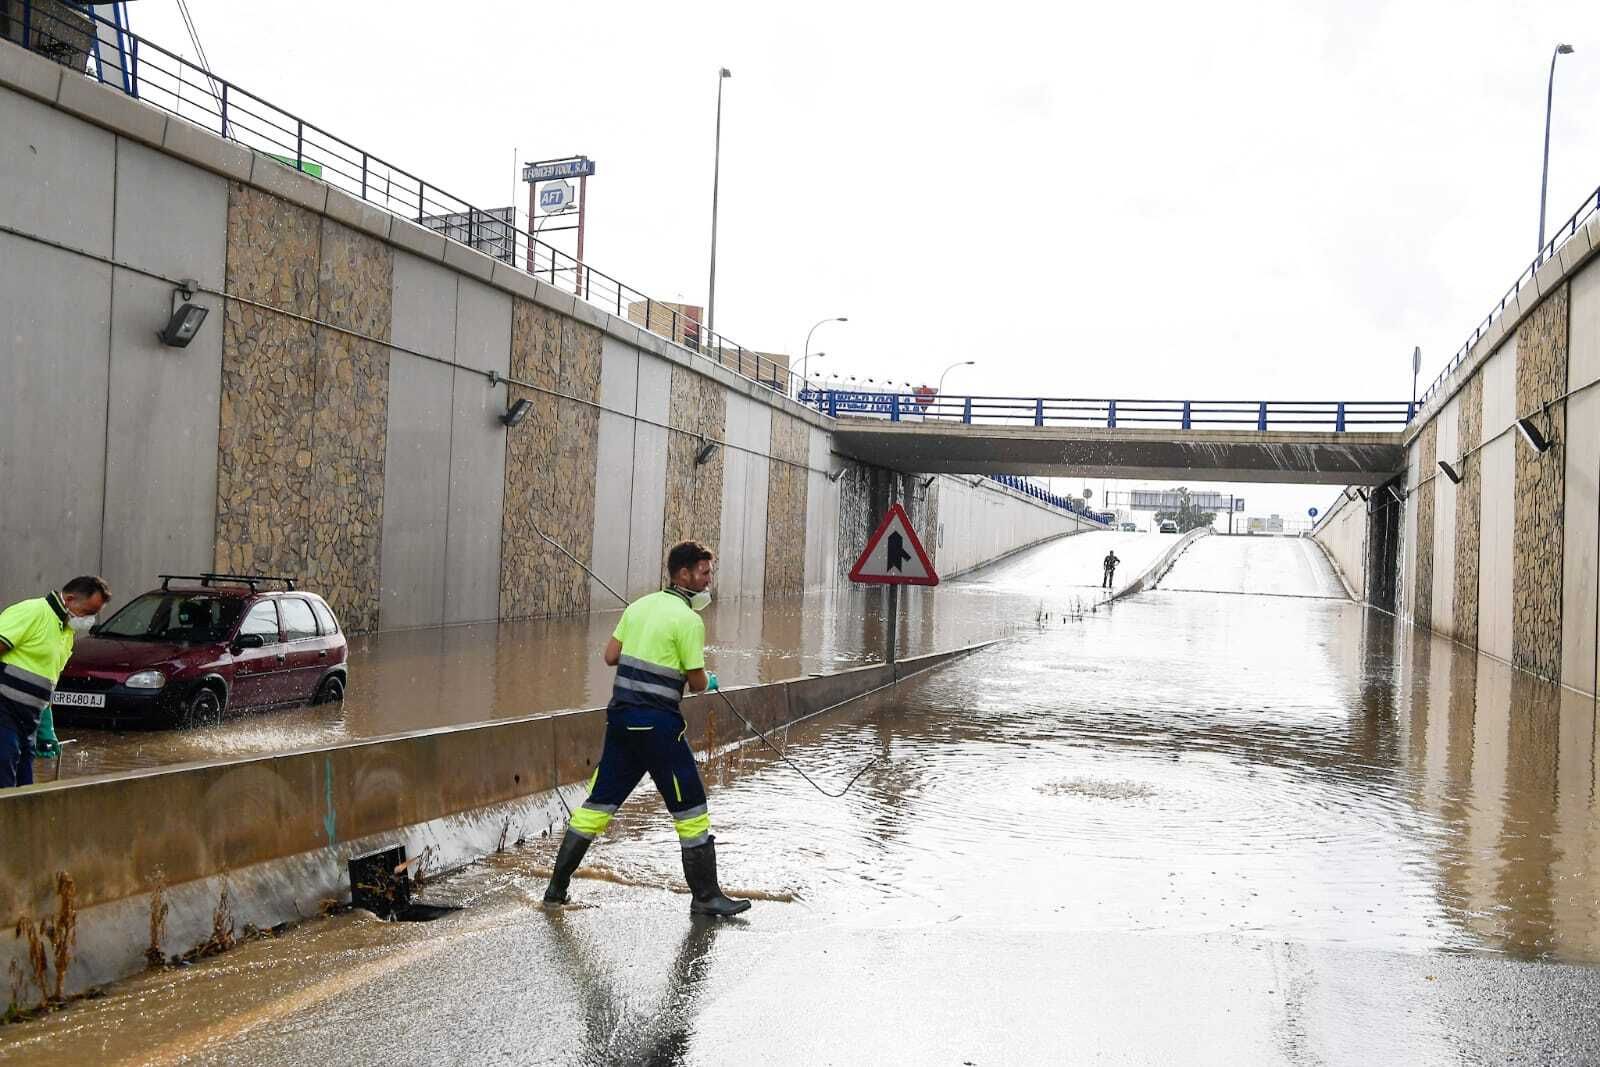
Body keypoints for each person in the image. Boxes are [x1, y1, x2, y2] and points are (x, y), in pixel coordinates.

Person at [543, 541, 749, 917]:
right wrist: (711, 680)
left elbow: (610, 657)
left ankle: (556, 890)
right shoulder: (689, 621)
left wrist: (642, 641)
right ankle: (706, 897)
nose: (708, 582)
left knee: (596, 806)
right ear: (683, 574)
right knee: (691, 808)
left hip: (621, 724)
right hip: (658, 729)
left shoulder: (637, 608)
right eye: (703, 573)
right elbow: (697, 682)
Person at [0, 576, 111, 788]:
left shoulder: (66, 633)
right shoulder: (33, 611)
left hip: (28, 719)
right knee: (4, 772)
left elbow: (48, 681)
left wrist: (46, 726)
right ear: (69, 599)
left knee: (24, 783)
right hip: (4, 710)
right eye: (88, 612)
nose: (89, 620)